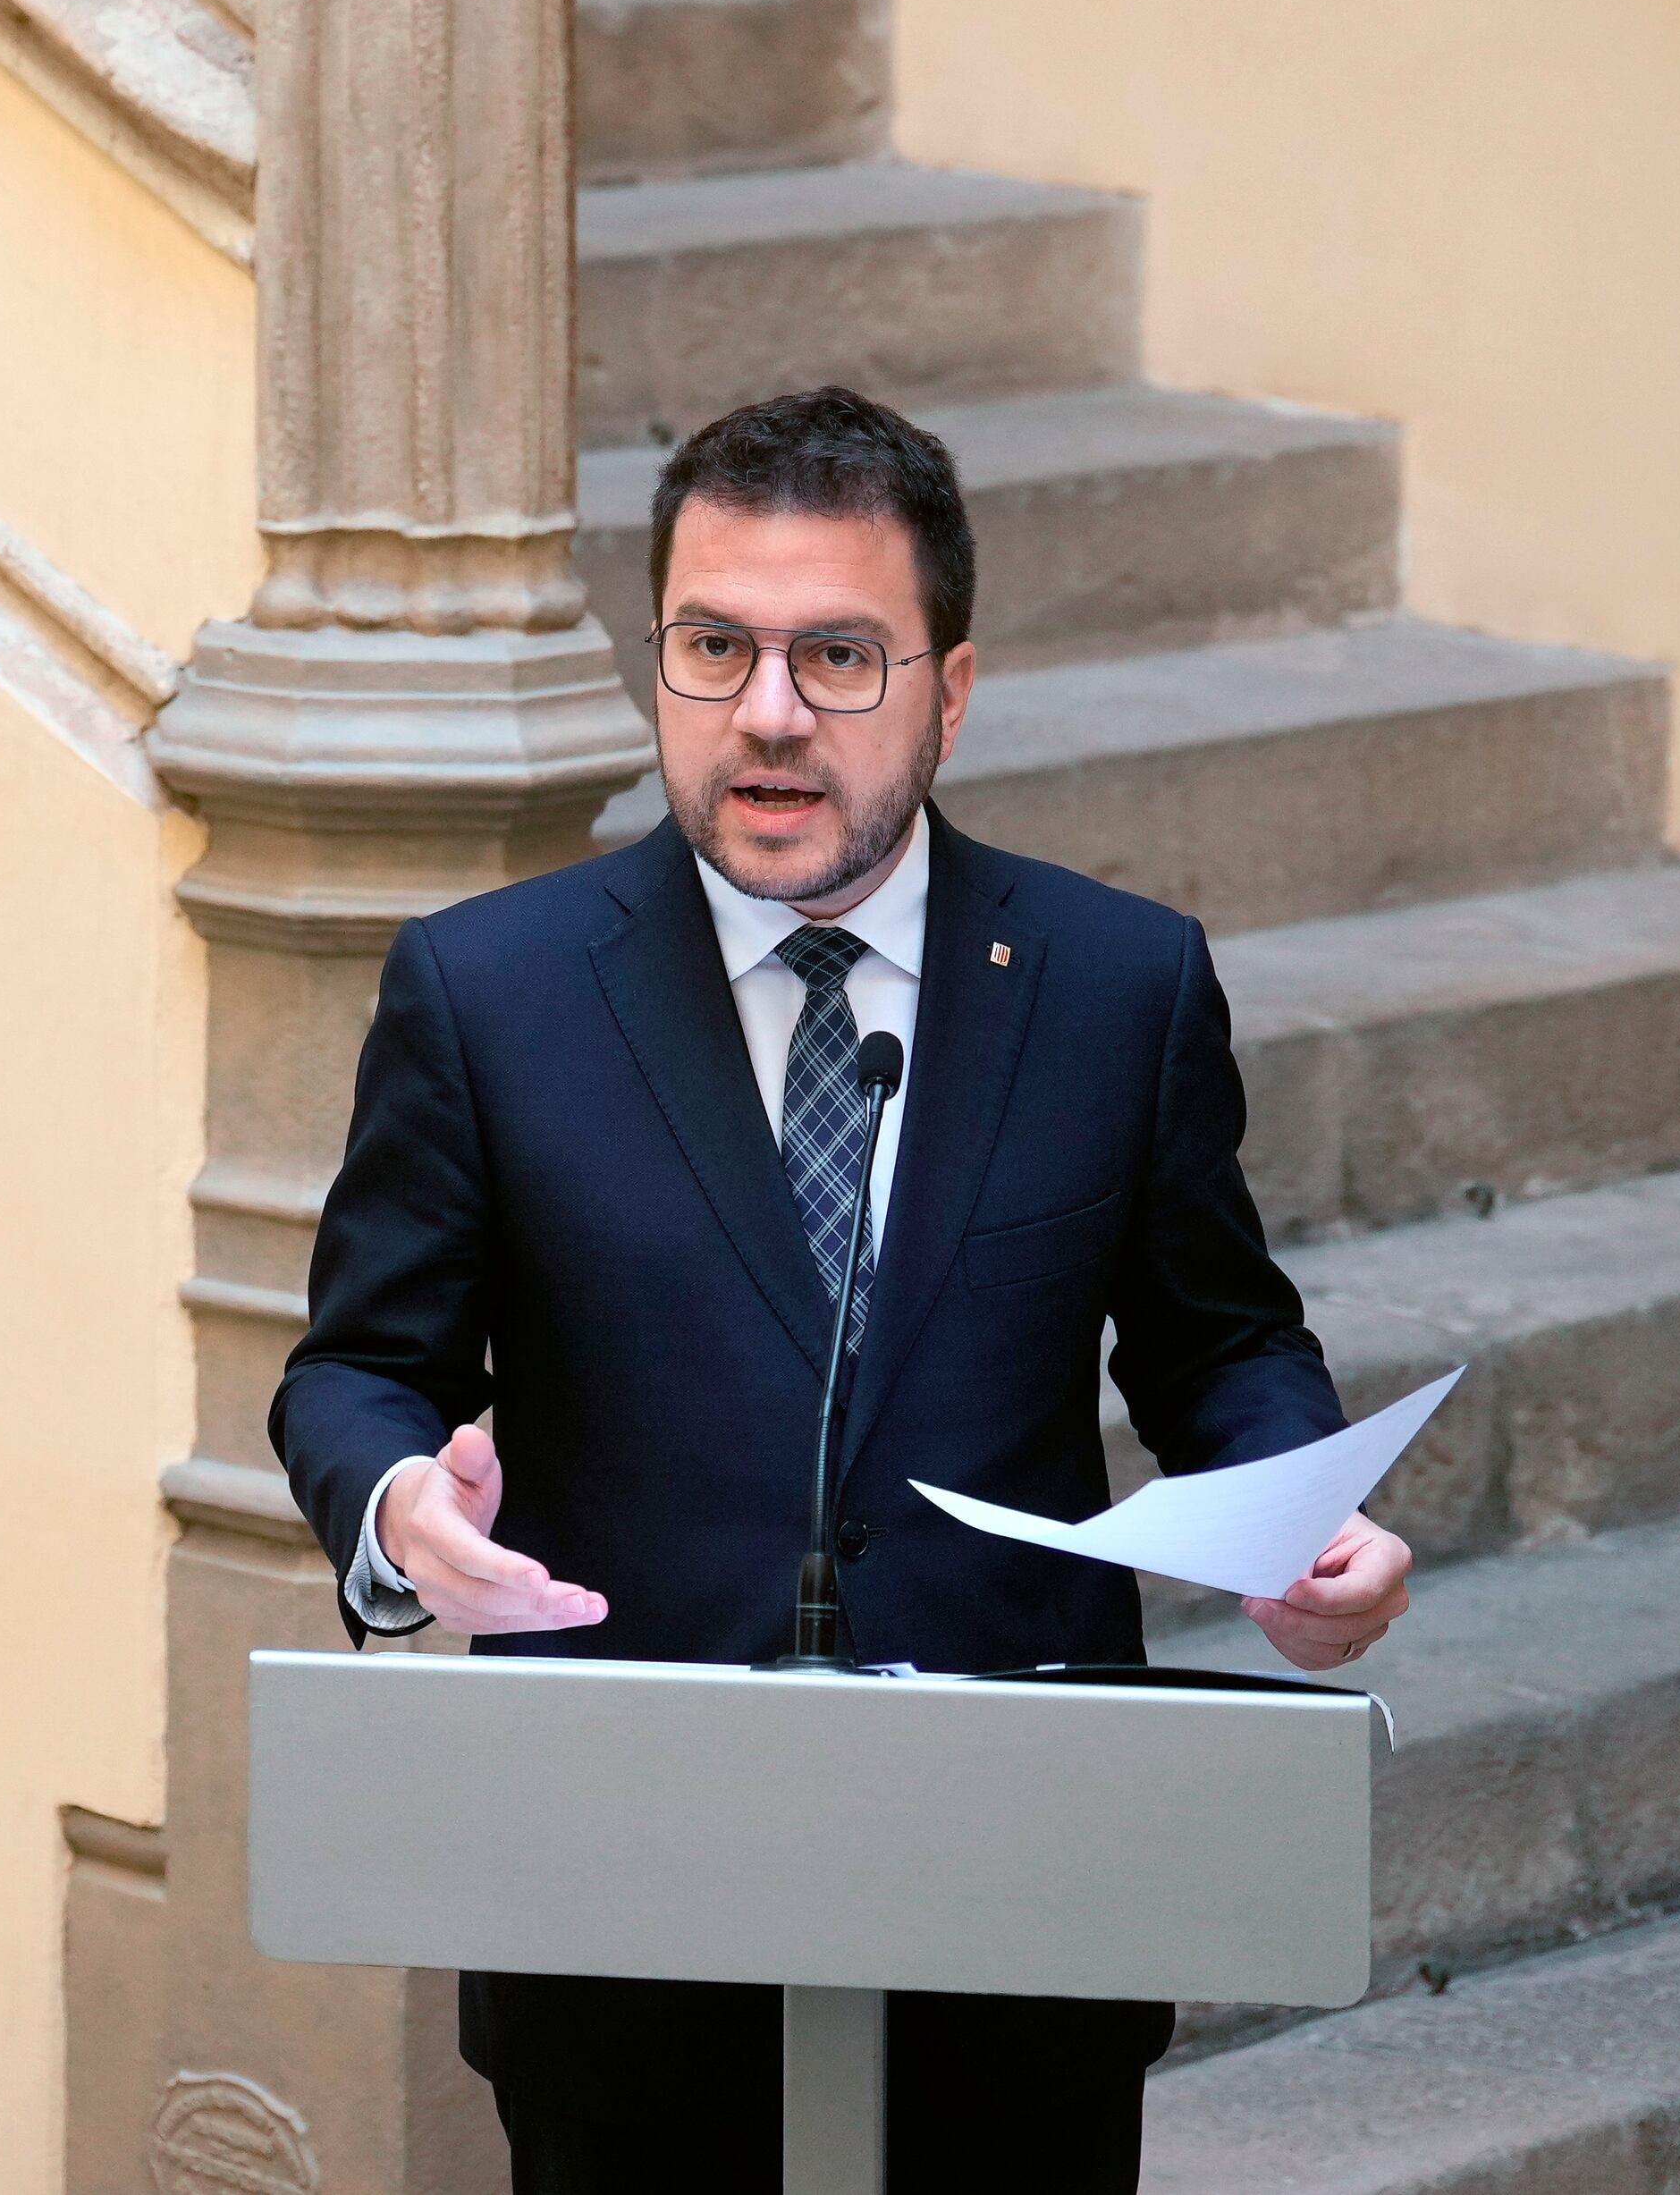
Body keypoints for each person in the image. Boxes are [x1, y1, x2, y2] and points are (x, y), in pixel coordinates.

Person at [269, 385, 1415, 2194]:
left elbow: (1220, 1338)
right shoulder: (486, 993)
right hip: (626, 1922)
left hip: (1018, 1910)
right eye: (713, 646)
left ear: (949, 688)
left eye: (839, 655)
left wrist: (1301, 1510)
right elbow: (352, 1372)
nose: (770, 712)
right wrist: (403, 1509)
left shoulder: (1115, 984)